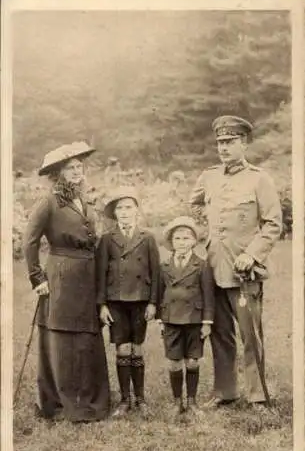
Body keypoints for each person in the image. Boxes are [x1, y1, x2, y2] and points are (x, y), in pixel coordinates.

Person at [190, 115, 282, 410]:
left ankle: (257, 395)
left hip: (243, 271)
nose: (224, 148)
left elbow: (272, 224)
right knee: (219, 334)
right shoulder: (209, 177)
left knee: (250, 336)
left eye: (230, 142)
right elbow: (192, 207)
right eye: (220, 143)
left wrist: (251, 254)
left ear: (244, 143)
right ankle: (225, 391)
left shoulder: (259, 178)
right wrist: (200, 236)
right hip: (213, 267)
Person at [23, 141, 110, 423]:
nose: (76, 171)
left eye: (78, 166)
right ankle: (64, 403)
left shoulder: (82, 199)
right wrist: (37, 277)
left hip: (87, 276)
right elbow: (29, 242)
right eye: (69, 167)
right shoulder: (48, 201)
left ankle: (90, 399)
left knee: (87, 335)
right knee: (63, 338)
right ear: (57, 174)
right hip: (61, 277)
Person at [96, 186, 160, 419]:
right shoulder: (106, 239)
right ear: (115, 214)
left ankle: (140, 398)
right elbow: (100, 273)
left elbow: (156, 273)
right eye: (119, 208)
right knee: (122, 348)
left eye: (128, 207)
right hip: (116, 301)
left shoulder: (148, 238)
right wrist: (102, 305)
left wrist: (153, 302)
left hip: (141, 300)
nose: (124, 212)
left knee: (137, 348)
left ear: (137, 211)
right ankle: (124, 399)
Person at [158, 216, 215, 420]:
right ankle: (177, 401)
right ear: (171, 242)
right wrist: (160, 319)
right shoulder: (164, 265)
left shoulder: (201, 265)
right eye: (177, 239)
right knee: (174, 362)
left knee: (192, 361)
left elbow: (209, 295)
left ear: (194, 241)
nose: (181, 242)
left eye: (186, 238)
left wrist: (207, 322)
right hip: (171, 319)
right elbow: (159, 293)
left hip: (194, 319)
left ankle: (191, 401)